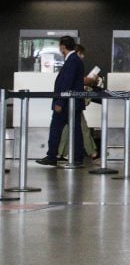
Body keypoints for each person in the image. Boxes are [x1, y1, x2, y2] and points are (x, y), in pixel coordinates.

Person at [36, 35, 86, 167]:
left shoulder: (72, 60)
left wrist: (59, 102)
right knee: (75, 130)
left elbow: (66, 83)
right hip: (71, 103)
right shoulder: (74, 59)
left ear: (63, 47)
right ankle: (76, 157)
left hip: (67, 103)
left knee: (56, 129)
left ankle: (52, 156)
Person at [57, 44, 100, 161]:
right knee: (82, 126)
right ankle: (92, 152)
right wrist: (92, 80)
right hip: (72, 101)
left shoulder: (72, 63)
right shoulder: (74, 63)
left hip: (71, 101)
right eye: (81, 53)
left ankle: (61, 152)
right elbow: (79, 80)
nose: (83, 56)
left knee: (70, 126)